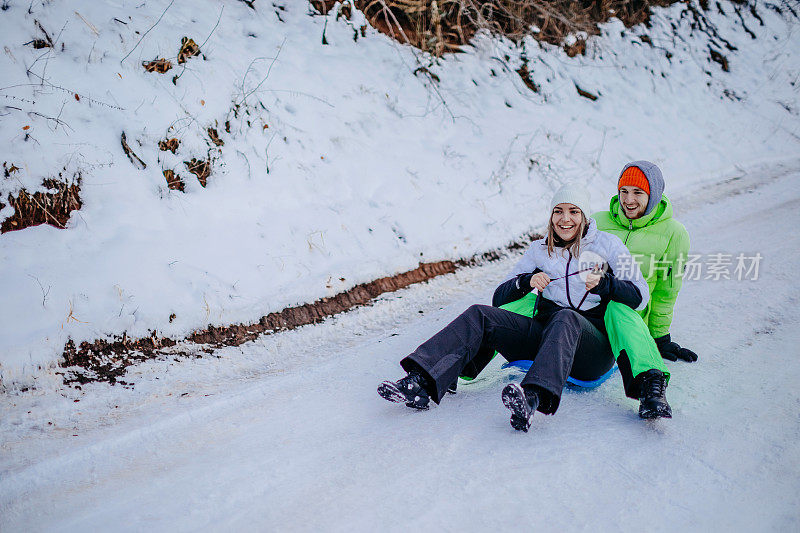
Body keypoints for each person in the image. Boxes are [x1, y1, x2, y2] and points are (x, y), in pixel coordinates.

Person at [378, 184, 671, 432]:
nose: (565, 219)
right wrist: (526, 281)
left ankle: (531, 396)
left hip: (589, 348)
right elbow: (500, 298)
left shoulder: (609, 245)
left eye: (573, 212)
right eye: (558, 211)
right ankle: (420, 381)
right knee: (480, 314)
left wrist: (607, 284)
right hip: (546, 338)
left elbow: (639, 295)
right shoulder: (539, 250)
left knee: (566, 317)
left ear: (584, 217)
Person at [593, 161, 698, 363]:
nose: (628, 200)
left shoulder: (673, 233)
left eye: (638, 192)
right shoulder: (598, 222)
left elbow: (666, 291)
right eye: (623, 191)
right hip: (587, 318)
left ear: (653, 195)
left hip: (628, 326)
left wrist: (660, 338)